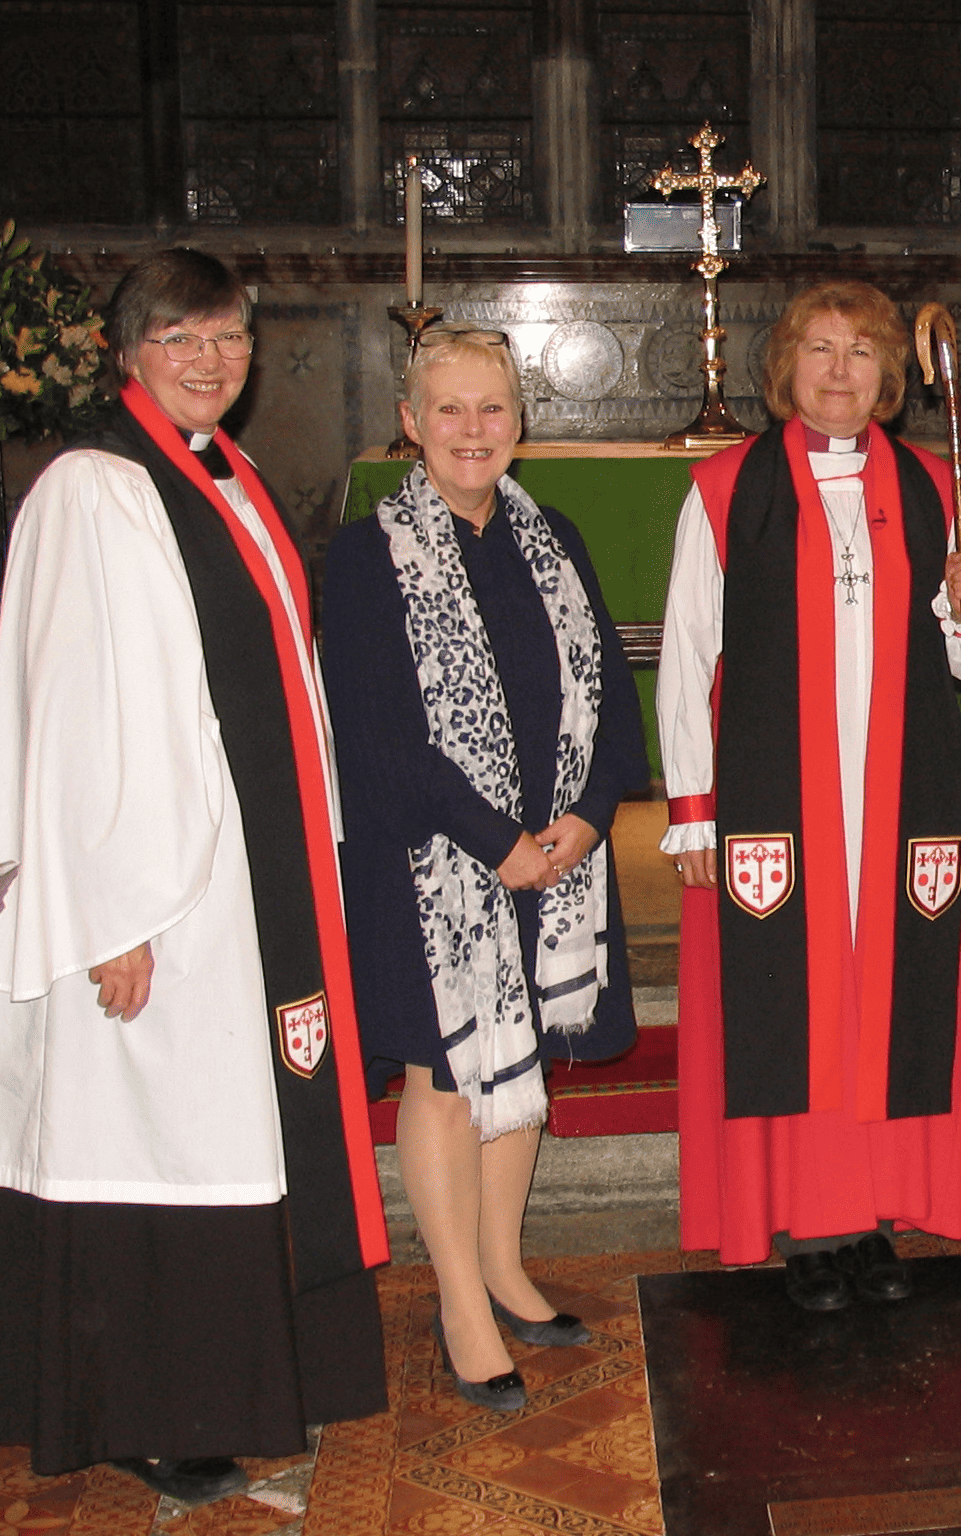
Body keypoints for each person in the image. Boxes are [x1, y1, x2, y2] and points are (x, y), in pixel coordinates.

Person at [0, 249, 388, 1503]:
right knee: (149, 1133)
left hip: (246, 879)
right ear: (127, 352)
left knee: (227, 1126)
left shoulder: (227, 478)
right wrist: (109, 914)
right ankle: (145, 1408)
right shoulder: (93, 490)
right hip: (151, 897)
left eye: (229, 338)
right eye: (181, 339)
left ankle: (249, 1382)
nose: (211, 361)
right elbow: (75, 720)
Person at [657, 280, 961, 1311]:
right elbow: (686, 652)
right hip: (778, 797)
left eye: (860, 350)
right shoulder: (727, 488)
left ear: (890, 374)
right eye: (819, 347)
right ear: (785, 366)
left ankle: (879, 1214)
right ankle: (811, 1223)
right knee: (792, 1001)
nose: (839, 369)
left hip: (897, 791)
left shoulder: (934, 484)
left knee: (891, 996)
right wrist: (691, 809)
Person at [323, 326, 644, 1410]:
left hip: (552, 856)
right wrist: (495, 840)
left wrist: (589, 817)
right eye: (449, 409)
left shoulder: (555, 538)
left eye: (492, 408)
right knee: (448, 1075)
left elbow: (611, 692)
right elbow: (377, 734)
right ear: (410, 423)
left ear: (519, 422)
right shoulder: (365, 556)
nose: (472, 430)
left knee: (525, 1057)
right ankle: (460, 1299)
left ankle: (505, 1266)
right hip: (433, 869)